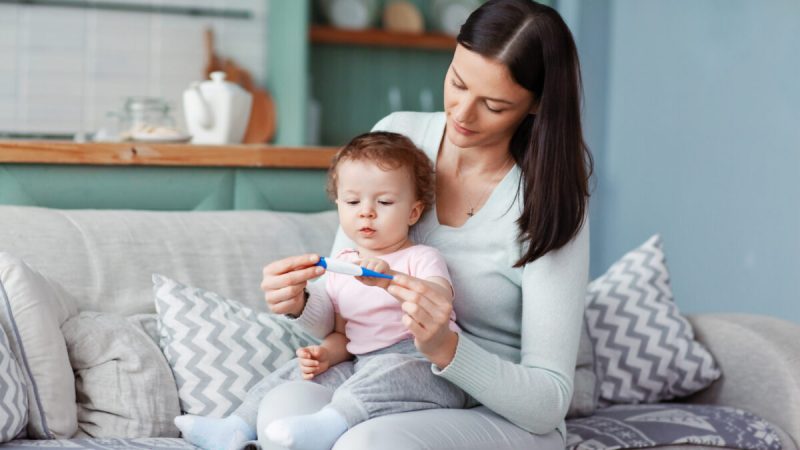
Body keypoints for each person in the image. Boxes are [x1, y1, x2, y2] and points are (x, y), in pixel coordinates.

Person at [259, 0, 593, 448]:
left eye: (493, 105)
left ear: (535, 106)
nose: (462, 113)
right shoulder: (401, 137)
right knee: (281, 411)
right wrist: (299, 301)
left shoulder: (551, 200)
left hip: (496, 413)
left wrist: (446, 348)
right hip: (379, 382)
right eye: (457, 82)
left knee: (365, 444)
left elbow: (549, 401)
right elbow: (342, 307)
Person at [174, 131, 470, 450]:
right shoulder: (342, 266)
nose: (366, 211)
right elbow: (344, 337)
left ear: (413, 212)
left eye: (384, 202)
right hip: (362, 364)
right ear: (339, 204)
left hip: (426, 364)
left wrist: (391, 279)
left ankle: (329, 424)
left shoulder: (420, 257)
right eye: (353, 201)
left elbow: (439, 298)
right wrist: (323, 355)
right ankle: (235, 427)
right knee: (293, 373)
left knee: (386, 372)